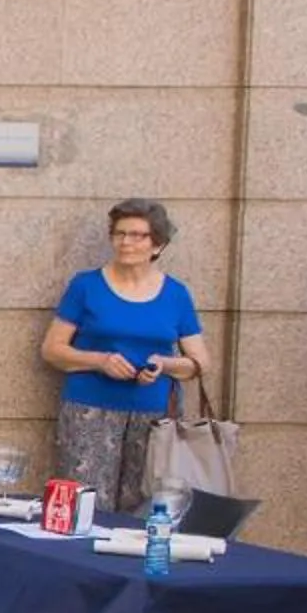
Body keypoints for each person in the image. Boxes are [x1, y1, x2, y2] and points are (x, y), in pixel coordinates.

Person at [41, 198, 211, 504]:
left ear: (157, 245)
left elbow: (199, 363)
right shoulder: (86, 286)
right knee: (85, 504)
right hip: (89, 412)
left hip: (154, 417)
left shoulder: (176, 294)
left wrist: (164, 364)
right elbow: (52, 350)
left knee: (144, 507)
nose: (125, 242)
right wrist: (99, 360)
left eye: (137, 235)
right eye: (119, 234)